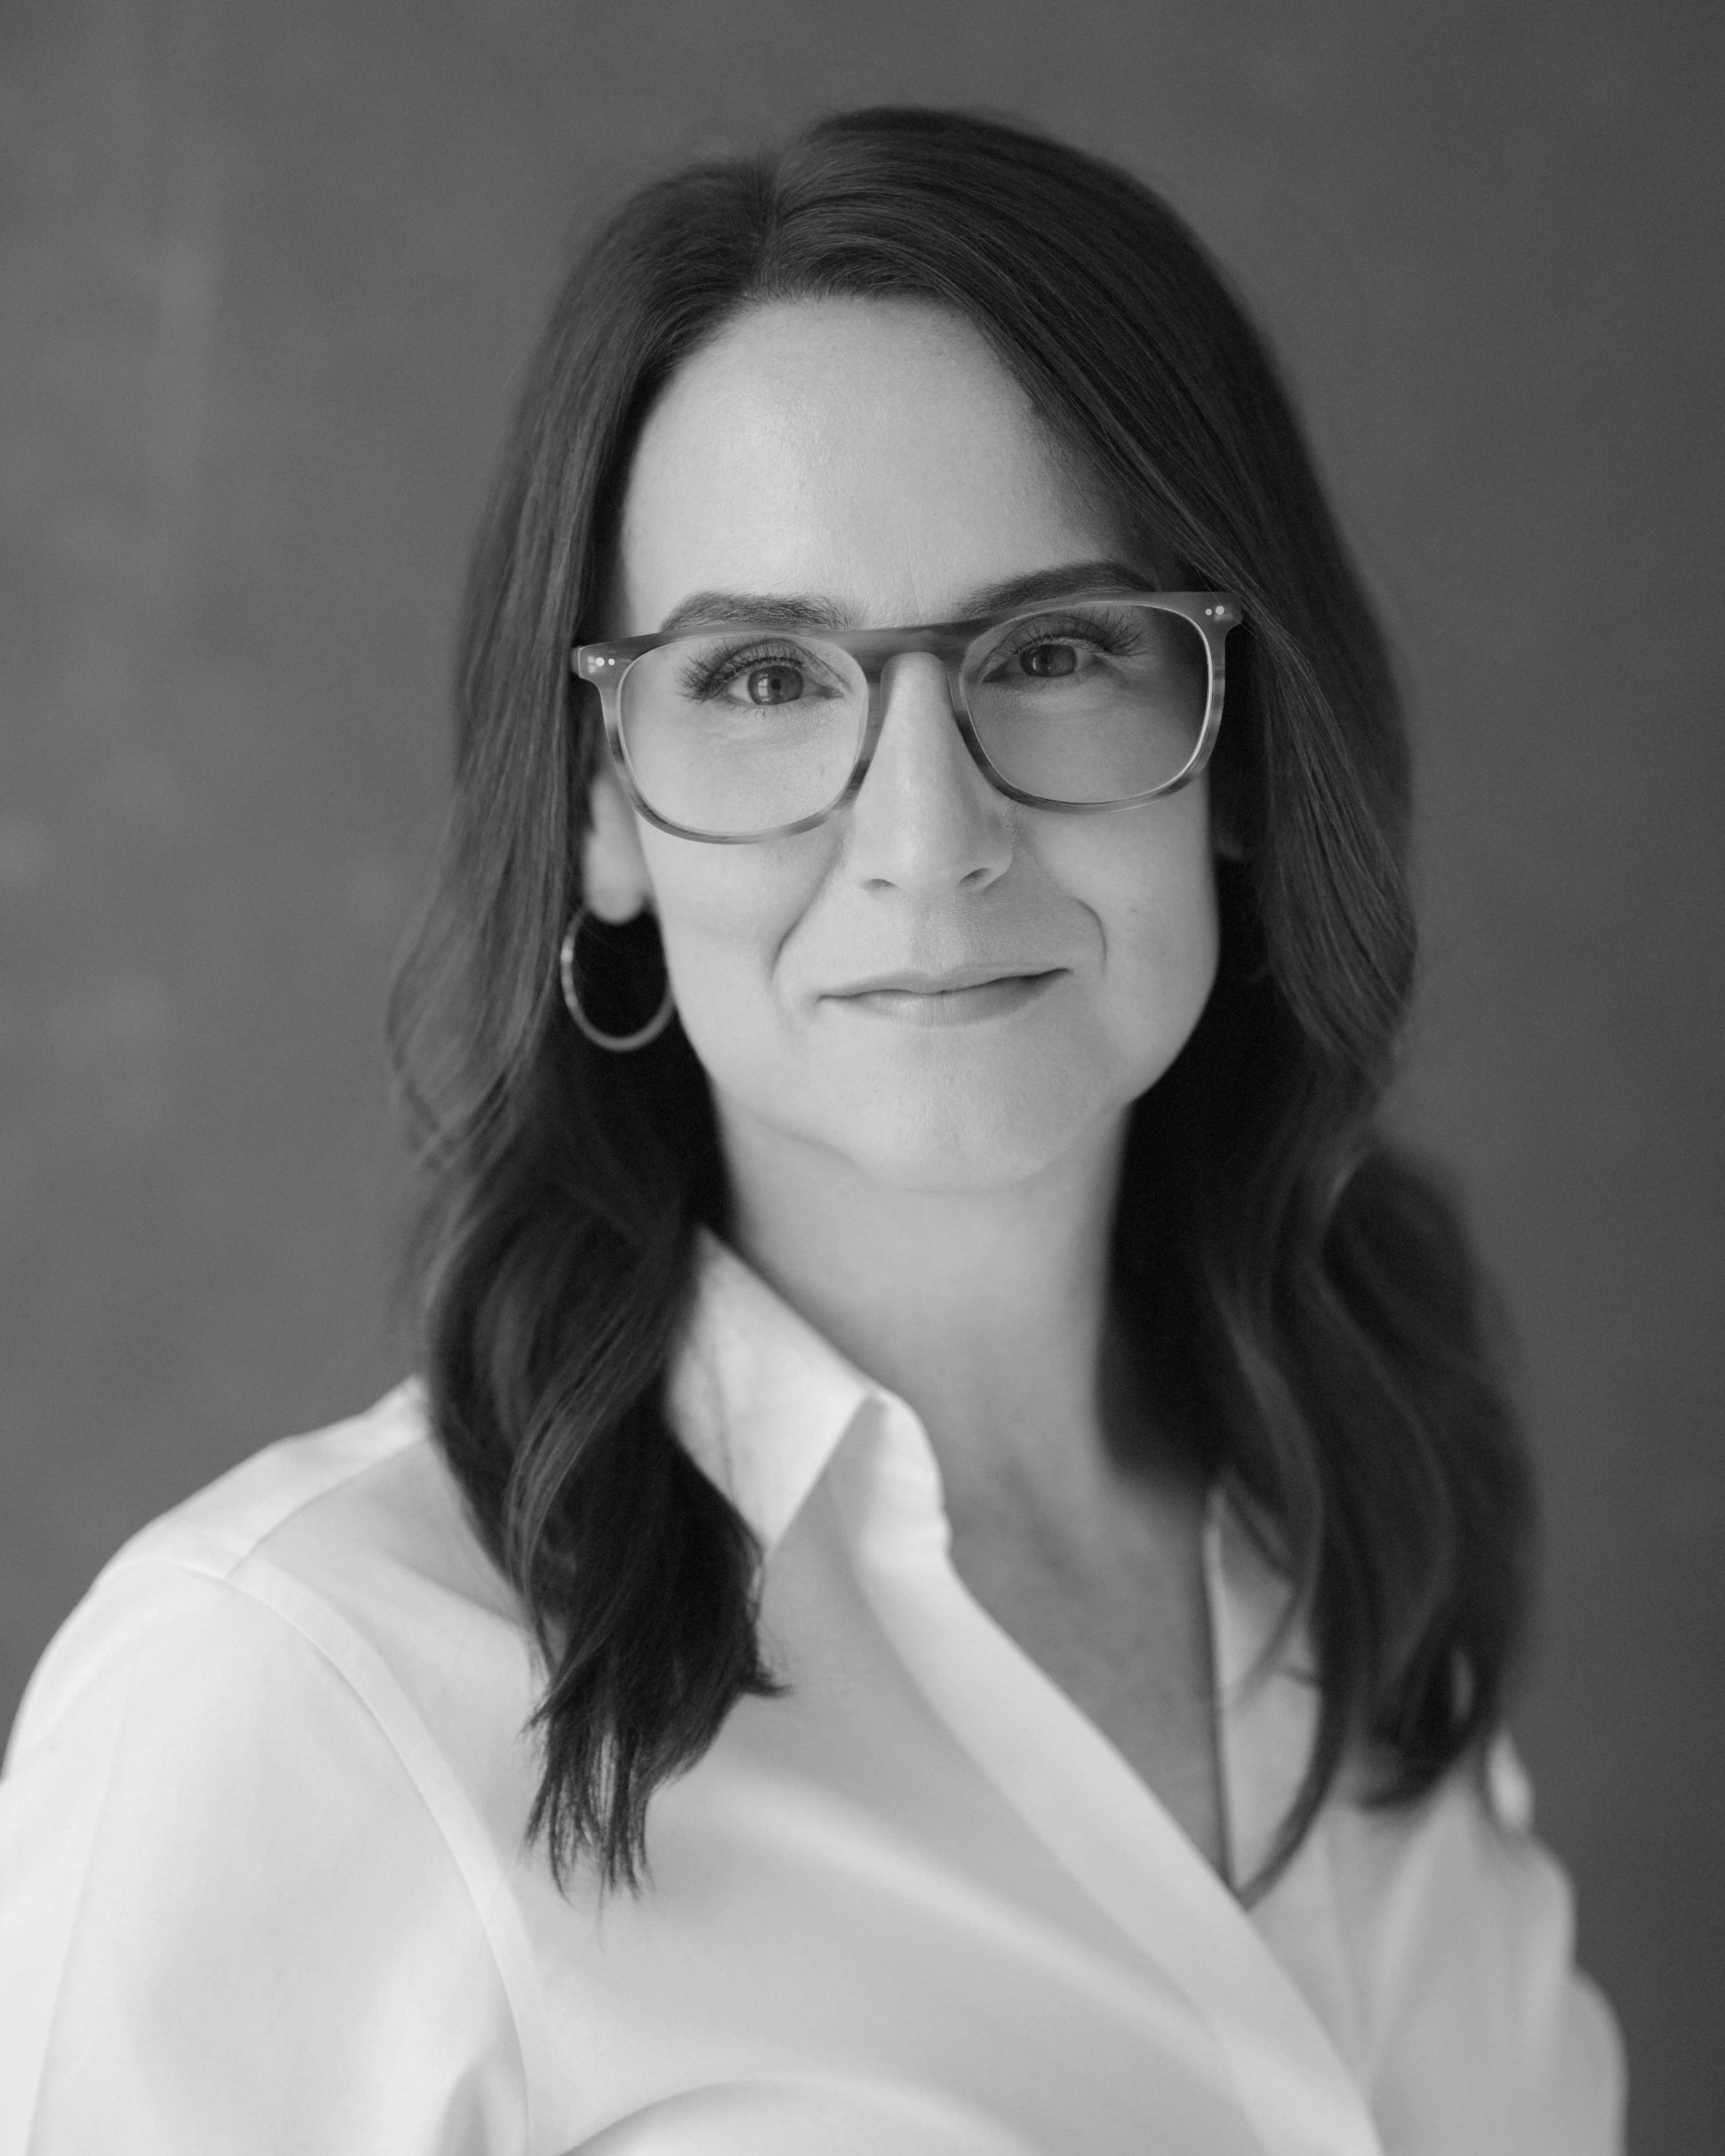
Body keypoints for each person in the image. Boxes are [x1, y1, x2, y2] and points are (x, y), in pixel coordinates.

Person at [0, 107, 1623, 2155]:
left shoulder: (1345, 1542)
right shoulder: (295, 1698)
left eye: (1053, 652)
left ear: (1236, 739)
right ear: (599, 807)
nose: (928, 838)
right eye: (763, 676)